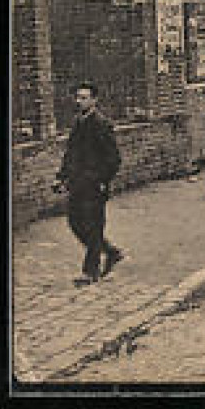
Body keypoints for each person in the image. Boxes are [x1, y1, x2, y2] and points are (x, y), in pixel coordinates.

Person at [53, 83, 123, 286]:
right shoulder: (78, 122)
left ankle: (90, 271)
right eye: (78, 97)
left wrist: (102, 180)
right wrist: (61, 177)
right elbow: (70, 154)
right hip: (76, 183)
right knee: (74, 222)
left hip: (94, 185)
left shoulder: (101, 124)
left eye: (84, 98)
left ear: (94, 100)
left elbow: (113, 159)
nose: (79, 101)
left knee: (93, 226)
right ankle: (110, 251)